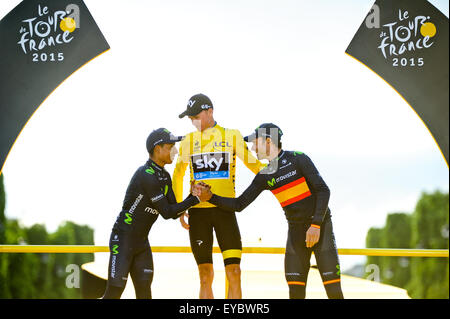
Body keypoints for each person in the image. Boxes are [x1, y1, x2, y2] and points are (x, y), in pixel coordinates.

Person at [193, 123, 344, 299]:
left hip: (321, 229)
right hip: (296, 233)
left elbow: (323, 190)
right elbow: (239, 204)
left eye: (255, 142)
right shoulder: (265, 174)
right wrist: (210, 197)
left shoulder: (298, 159)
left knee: (333, 292)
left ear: (267, 141)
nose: (253, 147)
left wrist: (316, 224)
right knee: (295, 293)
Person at [173, 93, 265, 299]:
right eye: (190, 118)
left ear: (210, 112)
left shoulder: (231, 135)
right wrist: (179, 207)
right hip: (198, 215)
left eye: (196, 116)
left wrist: (278, 174)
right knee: (205, 275)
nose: (193, 121)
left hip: (225, 210)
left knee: (234, 272)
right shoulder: (188, 141)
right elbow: (177, 175)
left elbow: (254, 164)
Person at [102, 128, 207, 299]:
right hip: (123, 239)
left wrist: (192, 193)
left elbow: (174, 211)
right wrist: (195, 199)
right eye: (170, 146)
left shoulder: (165, 176)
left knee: (145, 295)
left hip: (141, 243)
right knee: (114, 293)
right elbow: (166, 212)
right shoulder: (145, 174)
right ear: (158, 149)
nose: (175, 150)